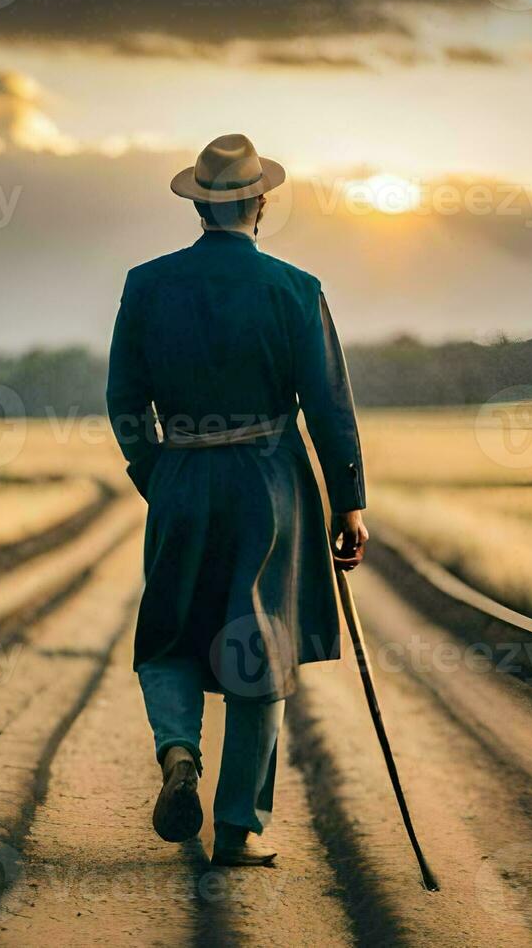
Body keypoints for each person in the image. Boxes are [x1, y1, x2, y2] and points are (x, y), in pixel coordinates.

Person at [106, 134, 368, 867]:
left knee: (168, 633)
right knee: (261, 643)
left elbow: (124, 397)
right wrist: (348, 501)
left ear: (198, 207)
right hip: (270, 486)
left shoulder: (147, 284)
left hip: (182, 478)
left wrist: (155, 473)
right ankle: (238, 827)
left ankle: (179, 750)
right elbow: (328, 407)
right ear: (261, 204)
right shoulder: (295, 288)